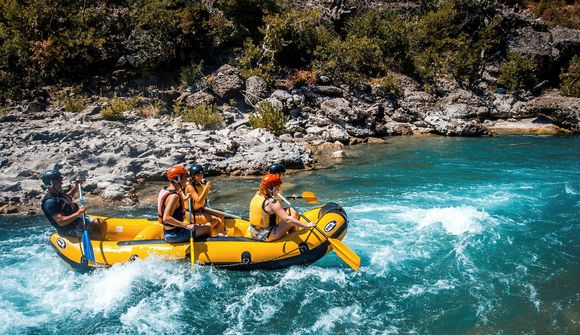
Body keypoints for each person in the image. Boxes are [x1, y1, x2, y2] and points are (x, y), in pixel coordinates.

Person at [40, 165, 105, 239]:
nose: (61, 183)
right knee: (96, 233)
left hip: (76, 222)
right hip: (69, 229)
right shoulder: (50, 202)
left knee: (100, 222)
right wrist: (78, 213)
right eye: (58, 181)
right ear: (50, 184)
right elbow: (61, 221)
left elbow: (67, 196)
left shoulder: (58, 194)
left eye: (60, 180)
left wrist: (76, 187)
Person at [248, 174, 315, 242]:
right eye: (277, 187)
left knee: (290, 210)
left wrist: (290, 198)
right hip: (266, 235)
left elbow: (272, 202)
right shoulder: (272, 202)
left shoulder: (258, 195)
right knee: (292, 217)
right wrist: (306, 225)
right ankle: (294, 236)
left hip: (254, 232)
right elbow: (288, 220)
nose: (278, 189)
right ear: (271, 189)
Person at [158, 165, 210, 243]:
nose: (186, 180)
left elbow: (168, 204)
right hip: (175, 235)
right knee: (207, 228)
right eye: (184, 177)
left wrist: (184, 198)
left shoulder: (165, 190)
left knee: (200, 227)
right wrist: (186, 226)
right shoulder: (174, 197)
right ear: (177, 180)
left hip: (170, 232)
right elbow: (166, 218)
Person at [185, 164, 226, 237]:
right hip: (192, 214)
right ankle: (201, 230)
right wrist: (206, 188)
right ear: (192, 176)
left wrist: (207, 188)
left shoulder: (200, 183)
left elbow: (204, 198)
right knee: (215, 220)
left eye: (201, 175)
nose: (200, 177)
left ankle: (221, 233)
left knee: (221, 214)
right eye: (198, 175)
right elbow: (199, 201)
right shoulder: (189, 187)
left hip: (201, 209)